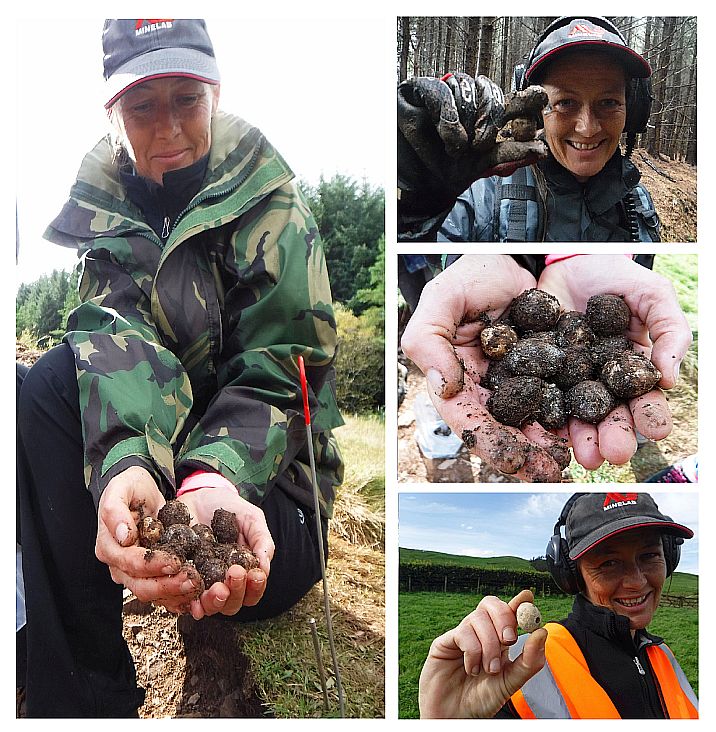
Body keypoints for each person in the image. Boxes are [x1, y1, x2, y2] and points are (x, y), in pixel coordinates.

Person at [16, 19, 343, 718]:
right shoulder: (106, 216)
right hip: (170, 477)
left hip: (265, 499)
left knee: (240, 570)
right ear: (114, 114)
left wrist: (214, 477)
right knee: (42, 384)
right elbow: (113, 341)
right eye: (143, 106)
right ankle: (79, 698)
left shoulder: (274, 204)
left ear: (215, 96)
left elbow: (283, 371)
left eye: (185, 100)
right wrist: (127, 464)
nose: (167, 128)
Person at [400, 253, 692, 482]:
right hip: (459, 274)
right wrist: (483, 255)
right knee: (445, 351)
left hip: (588, 269)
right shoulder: (519, 351)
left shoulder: (582, 352)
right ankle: (438, 415)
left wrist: (579, 255)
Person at [418, 492, 698, 718]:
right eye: (609, 563)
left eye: (649, 556)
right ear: (571, 574)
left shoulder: (662, 655)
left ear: (669, 557)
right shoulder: (520, 665)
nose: (637, 582)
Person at [398, 16, 660, 242]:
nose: (587, 128)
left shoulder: (639, 203)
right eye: (566, 103)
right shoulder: (483, 197)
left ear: (633, 108)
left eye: (609, 102)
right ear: (535, 111)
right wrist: (424, 207)